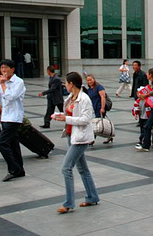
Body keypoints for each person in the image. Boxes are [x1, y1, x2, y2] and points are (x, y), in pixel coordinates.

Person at [53, 71, 99, 213]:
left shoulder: (84, 98)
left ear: (71, 84)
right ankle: (92, 197)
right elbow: (70, 114)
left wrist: (66, 119)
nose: (65, 85)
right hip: (71, 135)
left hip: (80, 137)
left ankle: (68, 203)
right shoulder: (71, 97)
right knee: (82, 169)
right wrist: (62, 116)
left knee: (66, 168)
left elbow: (86, 119)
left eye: (66, 83)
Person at [0, 59, 26, 181]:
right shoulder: (1, 83)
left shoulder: (19, 82)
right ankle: (20, 170)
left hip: (14, 118)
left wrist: (3, 85)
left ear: (12, 69)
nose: (3, 70)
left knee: (2, 143)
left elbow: (11, 97)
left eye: (5, 68)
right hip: (5, 118)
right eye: (1, 68)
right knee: (13, 144)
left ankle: (14, 169)